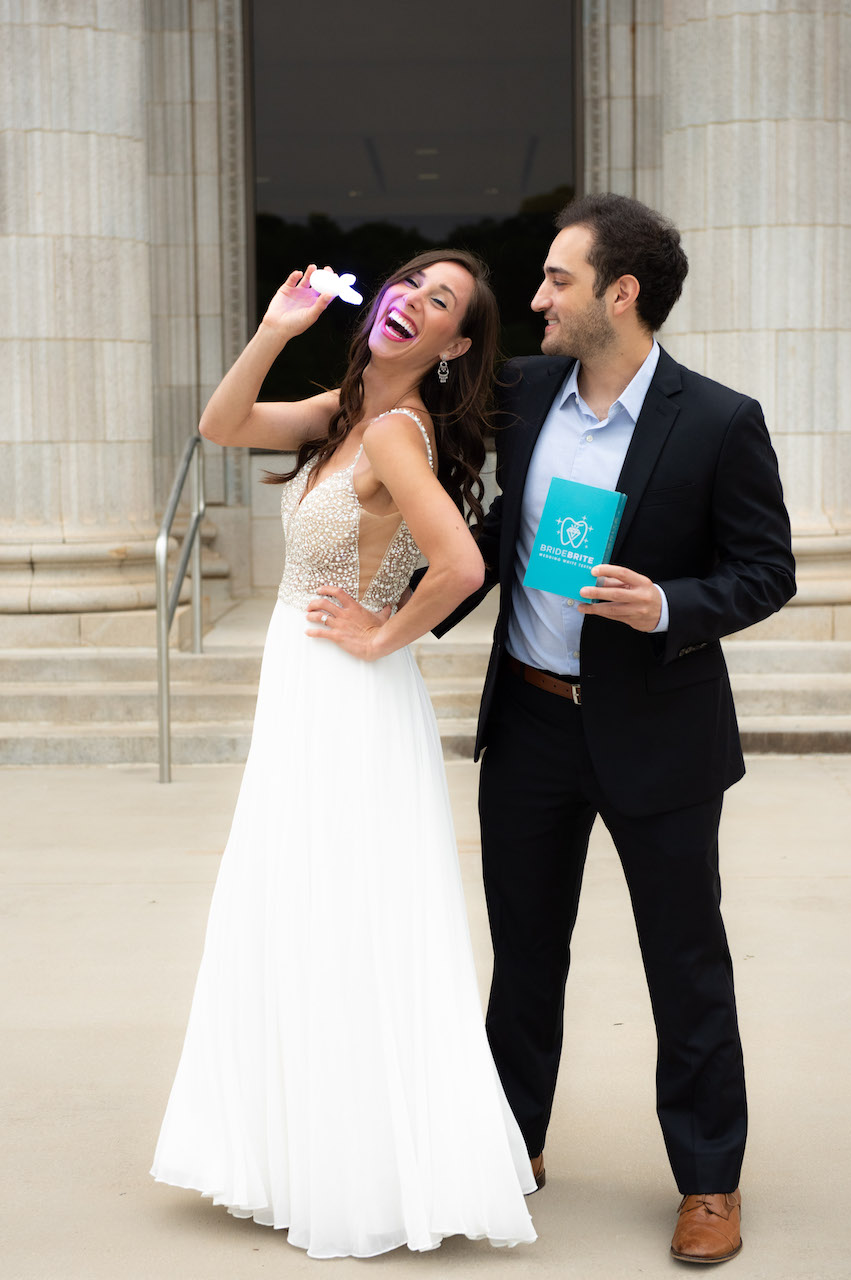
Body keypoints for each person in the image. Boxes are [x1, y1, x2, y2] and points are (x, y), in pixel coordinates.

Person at [426, 194, 796, 1265]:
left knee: (683, 962)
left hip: (659, 731)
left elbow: (764, 570)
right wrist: (410, 603)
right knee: (524, 954)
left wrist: (667, 604)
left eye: (555, 280)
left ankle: (708, 1179)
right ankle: (511, 1141)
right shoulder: (526, 391)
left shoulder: (719, 419)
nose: (535, 298)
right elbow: (497, 529)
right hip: (533, 723)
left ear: (618, 294)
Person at [150, 251, 537, 1258]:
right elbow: (221, 426)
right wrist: (278, 325)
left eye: (442, 301)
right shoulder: (338, 410)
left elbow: (458, 562)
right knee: (296, 902)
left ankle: (361, 1165)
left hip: (346, 691)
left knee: (343, 909)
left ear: (454, 345)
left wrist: (380, 633)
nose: (413, 299)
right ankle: (300, 1151)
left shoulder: (400, 431)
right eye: (410, 283)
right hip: (303, 687)